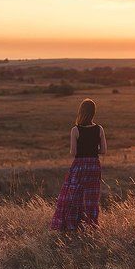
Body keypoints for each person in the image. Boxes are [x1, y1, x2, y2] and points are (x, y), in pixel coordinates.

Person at [50, 98, 107, 231]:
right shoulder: (99, 129)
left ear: (81, 112)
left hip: (79, 165)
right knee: (91, 198)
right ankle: (91, 227)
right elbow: (103, 151)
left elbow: (73, 152)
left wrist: (83, 150)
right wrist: (92, 150)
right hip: (94, 165)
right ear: (93, 112)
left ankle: (72, 226)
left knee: (73, 196)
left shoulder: (75, 130)